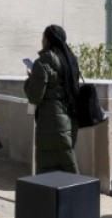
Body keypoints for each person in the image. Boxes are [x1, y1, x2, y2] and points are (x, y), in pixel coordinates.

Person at [24, 25, 81, 174]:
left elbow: (34, 96)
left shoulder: (43, 62)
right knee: (65, 167)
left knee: (50, 170)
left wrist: (30, 79)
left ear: (47, 40)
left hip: (52, 122)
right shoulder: (71, 60)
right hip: (70, 119)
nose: (41, 40)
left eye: (43, 37)